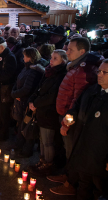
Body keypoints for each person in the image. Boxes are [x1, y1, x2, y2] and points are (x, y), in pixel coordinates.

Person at [49, 37, 101, 195]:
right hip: (65, 114)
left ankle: (71, 183)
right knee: (67, 149)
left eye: (70, 50)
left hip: (71, 118)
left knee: (72, 150)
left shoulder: (83, 71)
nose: (67, 51)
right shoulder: (75, 67)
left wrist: (67, 121)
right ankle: (68, 175)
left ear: (82, 52)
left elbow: (76, 99)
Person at [63, 59, 108, 199]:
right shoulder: (92, 90)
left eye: (104, 72)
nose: (99, 74)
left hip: (101, 153)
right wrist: (70, 116)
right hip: (84, 147)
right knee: (83, 184)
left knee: (100, 188)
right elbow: (77, 105)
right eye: (98, 71)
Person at [28, 49, 68, 175]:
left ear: (64, 60)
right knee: (42, 139)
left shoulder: (61, 75)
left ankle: (48, 164)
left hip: (49, 112)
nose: (51, 60)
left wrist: (36, 103)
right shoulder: (48, 72)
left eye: (55, 58)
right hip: (41, 110)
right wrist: (32, 100)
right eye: (51, 57)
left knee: (47, 141)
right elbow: (38, 88)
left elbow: (52, 96)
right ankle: (42, 161)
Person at [11, 47, 44, 157]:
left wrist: (15, 94)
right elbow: (18, 80)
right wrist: (14, 91)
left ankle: (27, 149)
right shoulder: (26, 68)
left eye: (24, 56)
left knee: (28, 126)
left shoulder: (33, 71)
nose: (23, 58)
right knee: (21, 124)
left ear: (30, 57)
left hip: (26, 103)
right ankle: (19, 144)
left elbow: (27, 89)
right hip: (20, 101)